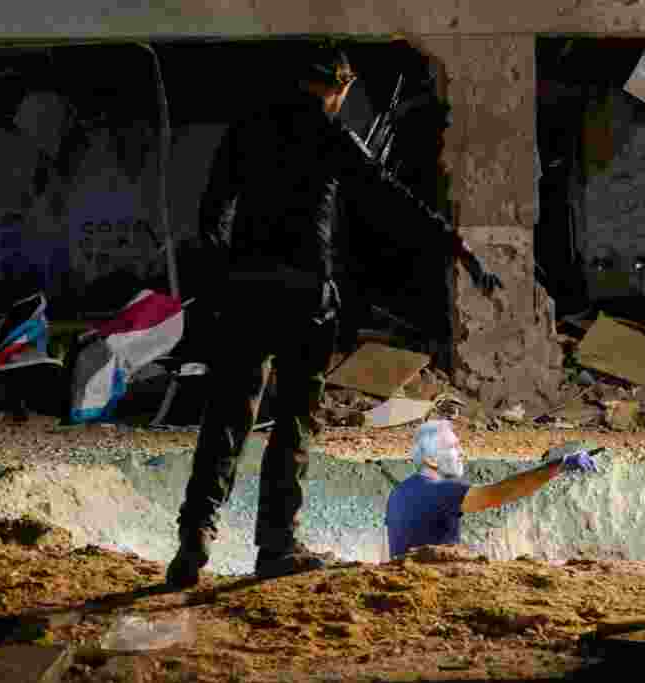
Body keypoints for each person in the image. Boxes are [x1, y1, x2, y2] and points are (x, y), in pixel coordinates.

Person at [166, 41, 505, 589]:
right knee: (293, 427)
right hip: (305, 300)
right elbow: (395, 201)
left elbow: (210, 218)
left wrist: (225, 280)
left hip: (247, 294)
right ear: (341, 87)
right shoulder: (331, 136)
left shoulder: (245, 130)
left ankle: (192, 543)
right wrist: (460, 248)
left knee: (227, 420)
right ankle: (275, 547)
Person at [385, 420, 599, 559]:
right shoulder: (440, 491)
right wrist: (558, 465)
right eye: (452, 447)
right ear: (431, 459)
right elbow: (500, 493)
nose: (461, 453)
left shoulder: (399, 491)